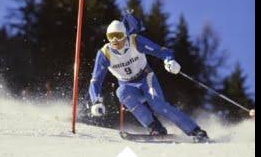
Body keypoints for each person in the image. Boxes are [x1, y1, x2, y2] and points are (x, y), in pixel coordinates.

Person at [88, 14, 209, 142]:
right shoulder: (105, 54)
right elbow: (96, 80)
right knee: (121, 92)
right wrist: (95, 100)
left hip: (145, 78)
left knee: (158, 105)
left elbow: (161, 51)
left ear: (125, 35)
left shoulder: (135, 41)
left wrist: (169, 61)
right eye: (110, 36)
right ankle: (155, 127)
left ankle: (194, 130)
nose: (114, 40)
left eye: (118, 35)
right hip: (128, 86)